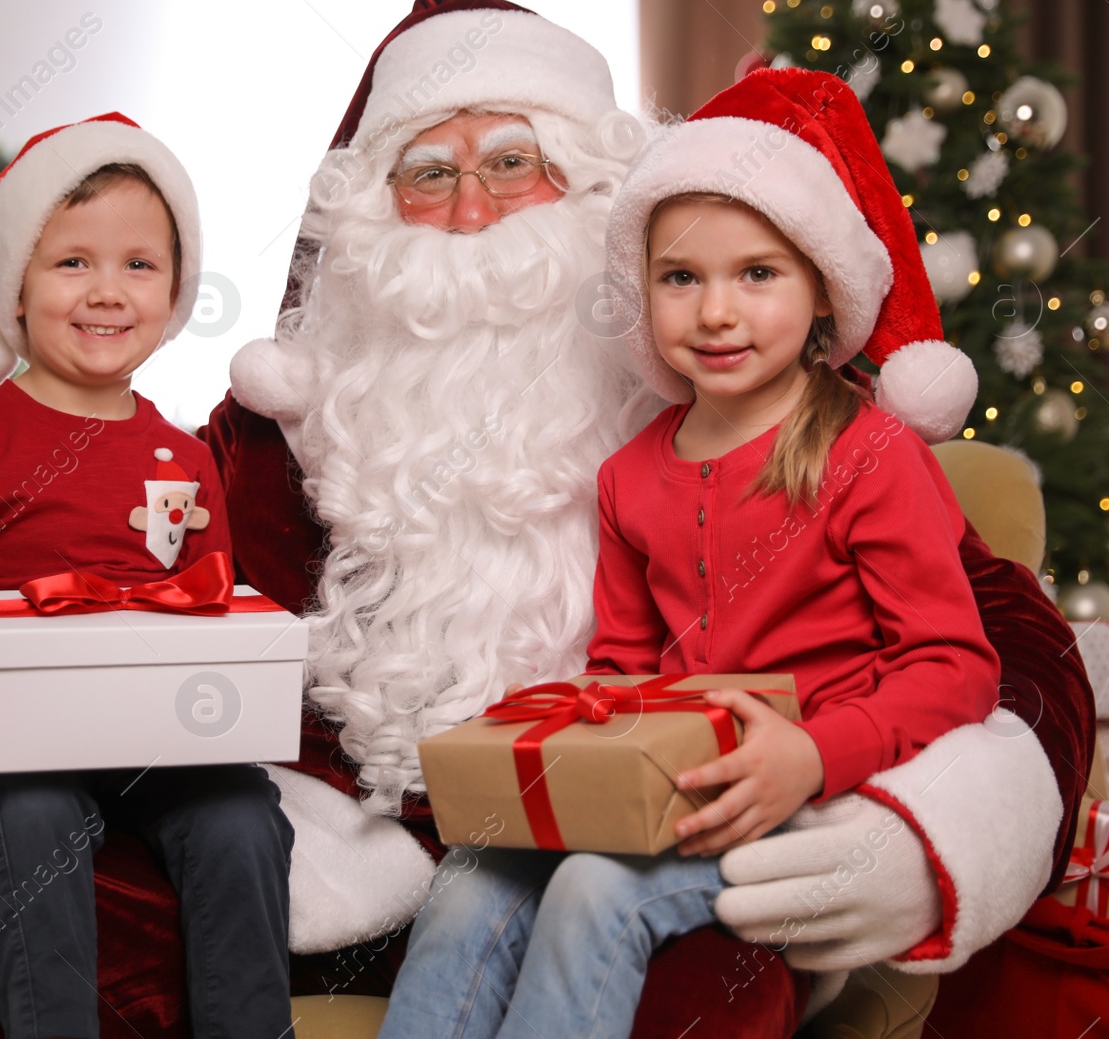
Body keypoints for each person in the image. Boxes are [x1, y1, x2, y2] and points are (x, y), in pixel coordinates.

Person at [0, 0, 1094, 1038]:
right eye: (428, 173)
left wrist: (924, 828)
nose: (471, 211)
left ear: (593, 186)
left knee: (702, 975)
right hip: (330, 861)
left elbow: (992, 640)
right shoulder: (282, 421)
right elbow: (101, 576)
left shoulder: (766, 412)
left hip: (640, 836)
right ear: (370, 213)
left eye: (514, 164)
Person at [377, 65, 1024, 1039]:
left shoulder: (868, 455)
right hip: (676, 783)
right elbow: (626, 669)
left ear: (820, 291)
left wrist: (811, 753)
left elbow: (955, 666)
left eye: (756, 274)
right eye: (681, 277)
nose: (715, 312)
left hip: (814, 797)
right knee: (473, 873)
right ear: (642, 295)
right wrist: (571, 744)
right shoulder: (629, 475)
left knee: (596, 886)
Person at [0, 112, 293, 1039]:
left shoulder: (184, 456)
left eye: (140, 265)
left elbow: (211, 610)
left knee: (243, 811)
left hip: (161, 741)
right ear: (16, 286)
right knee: (36, 807)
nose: (108, 292)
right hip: (18, 744)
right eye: (72, 263)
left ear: (175, 292)